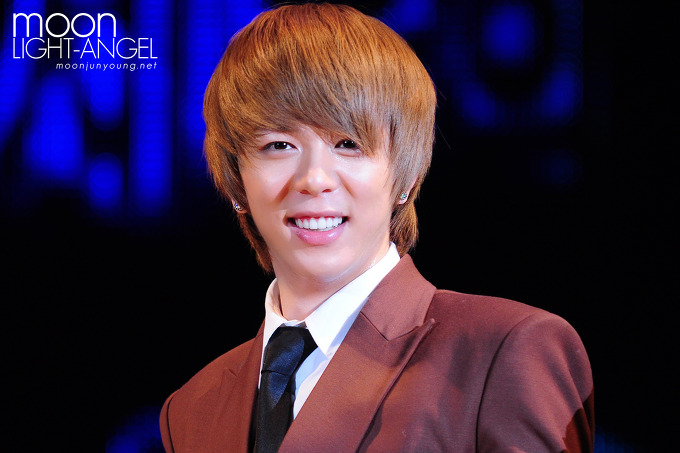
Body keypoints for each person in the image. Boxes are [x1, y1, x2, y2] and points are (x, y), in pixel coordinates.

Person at [159, 3, 594, 452]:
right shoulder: (191, 409)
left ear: (405, 176)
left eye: (348, 143)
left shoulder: (502, 355)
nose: (314, 179)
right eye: (279, 145)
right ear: (237, 179)